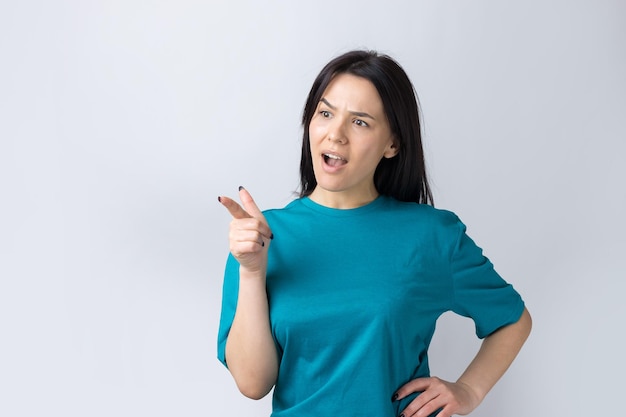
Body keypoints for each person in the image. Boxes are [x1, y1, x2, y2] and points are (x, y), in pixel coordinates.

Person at [217, 50, 532, 417]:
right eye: (325, 113)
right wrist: (252, 270)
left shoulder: (431, 236)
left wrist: (469, 389)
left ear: (392, 144)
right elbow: (253, 384)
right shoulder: (261, 236)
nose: (335, 134)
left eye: (360, 122)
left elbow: (512, 319)